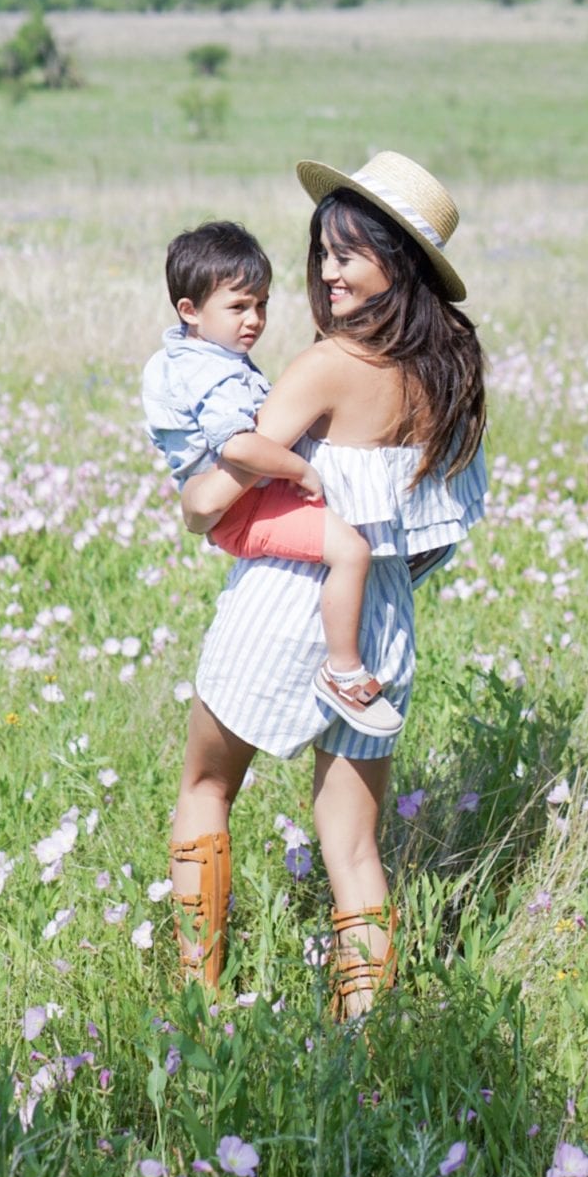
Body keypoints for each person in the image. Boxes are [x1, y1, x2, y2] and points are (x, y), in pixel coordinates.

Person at [167, 151, 487, 1014]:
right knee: (353, 848)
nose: (327, 272)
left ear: (399, 263)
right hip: (379, 620)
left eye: (349, 254)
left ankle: (199, 1004)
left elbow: (215, 496)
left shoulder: (326, 365)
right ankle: (364, 1045)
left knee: (205, 788)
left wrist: (196, 503)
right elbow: (439, 527)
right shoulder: (449, 374)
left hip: (284, 597)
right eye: (322, 254)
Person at [142, 219, 401, 738]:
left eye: (261, 304)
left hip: (243, 505)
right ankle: (343, 671)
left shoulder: (202, 355)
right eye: (238, 307)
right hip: (243, 510)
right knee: (350, 551)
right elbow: (237, 444)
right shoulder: (208, 371)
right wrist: (299, 468)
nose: (254, 319)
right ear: (189, 312)